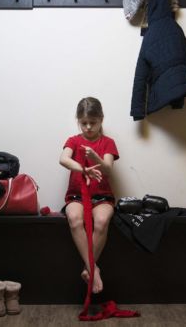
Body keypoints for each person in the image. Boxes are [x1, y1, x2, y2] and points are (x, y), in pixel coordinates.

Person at [59, 97, 119, 294]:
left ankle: (88, 269)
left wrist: (94, 157)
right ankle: (94, 268)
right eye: (83, 122)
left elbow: (108, 169)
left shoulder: (108, 142)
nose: (88, 127)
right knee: (74, 219)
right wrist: (82, 169)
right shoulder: (73, 140)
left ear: (101, 119)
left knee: (101, 221)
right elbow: (63, 159)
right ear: (78, 121)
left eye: (93, 122)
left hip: (102, 197)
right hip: (76, 196)